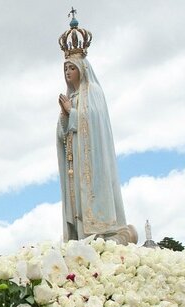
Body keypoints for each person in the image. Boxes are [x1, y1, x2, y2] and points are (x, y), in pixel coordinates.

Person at [56, 14, 137, 245]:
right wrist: (65, 115)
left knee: (89, 199)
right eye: (65, 69)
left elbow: (94, 122)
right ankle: (80, 234)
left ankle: (102, 231)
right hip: (75, 164)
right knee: (77, 203)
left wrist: (71, 112)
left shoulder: (93, 92)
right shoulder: (72, 97)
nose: (68, 72)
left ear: (82, 68)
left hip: (92, 163)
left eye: (72, 67)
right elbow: (63, 134)